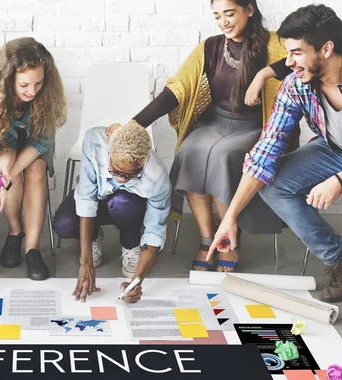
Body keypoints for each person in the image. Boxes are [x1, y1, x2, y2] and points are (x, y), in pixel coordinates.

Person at [123, 0, 297, 273]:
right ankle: (207, 239)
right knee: (189, 150)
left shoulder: (275, 43)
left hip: (255, 126)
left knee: (221, 155)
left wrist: (265, 73)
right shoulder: (211, 47)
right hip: (215, 121)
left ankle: (229, 238)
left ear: (249, 10)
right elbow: (177, 88)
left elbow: (303, 57)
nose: (223, 22)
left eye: (229, 13)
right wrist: (135, 124)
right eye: (217, 16)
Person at [209, 4, 342, 303]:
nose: (289, 62)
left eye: (296, 52)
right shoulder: (297, 86)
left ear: (326, 49)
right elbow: (267, 148)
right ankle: (338, 260)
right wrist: (230, 217)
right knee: (274, 184)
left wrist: (339, 180)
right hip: (333, 149)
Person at [0, 37, 67, 281]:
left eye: (39, 83)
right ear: (8, 78)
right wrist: (4, 170)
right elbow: (0, 145)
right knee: (11, 172)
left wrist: (6, 175)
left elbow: (41, 141)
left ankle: (32, 248)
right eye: (24, 84)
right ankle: (15, 232)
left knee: (34, 170)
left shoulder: (46, 95)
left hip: (34, 143)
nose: (32, 91)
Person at [53, 122, 171, 303]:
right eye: (114, 170)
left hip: (128, 209)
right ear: (109, 152)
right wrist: (86, 262)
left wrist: (136, 282)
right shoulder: (94, 142)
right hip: (98, 199)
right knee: (64, 224)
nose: (121, 179)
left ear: (144, 161)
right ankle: (93, 236)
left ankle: (131, 243)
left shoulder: (157, 179)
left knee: (122, 201)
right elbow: (86, 198)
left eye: (131, 175)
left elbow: (154, 233)